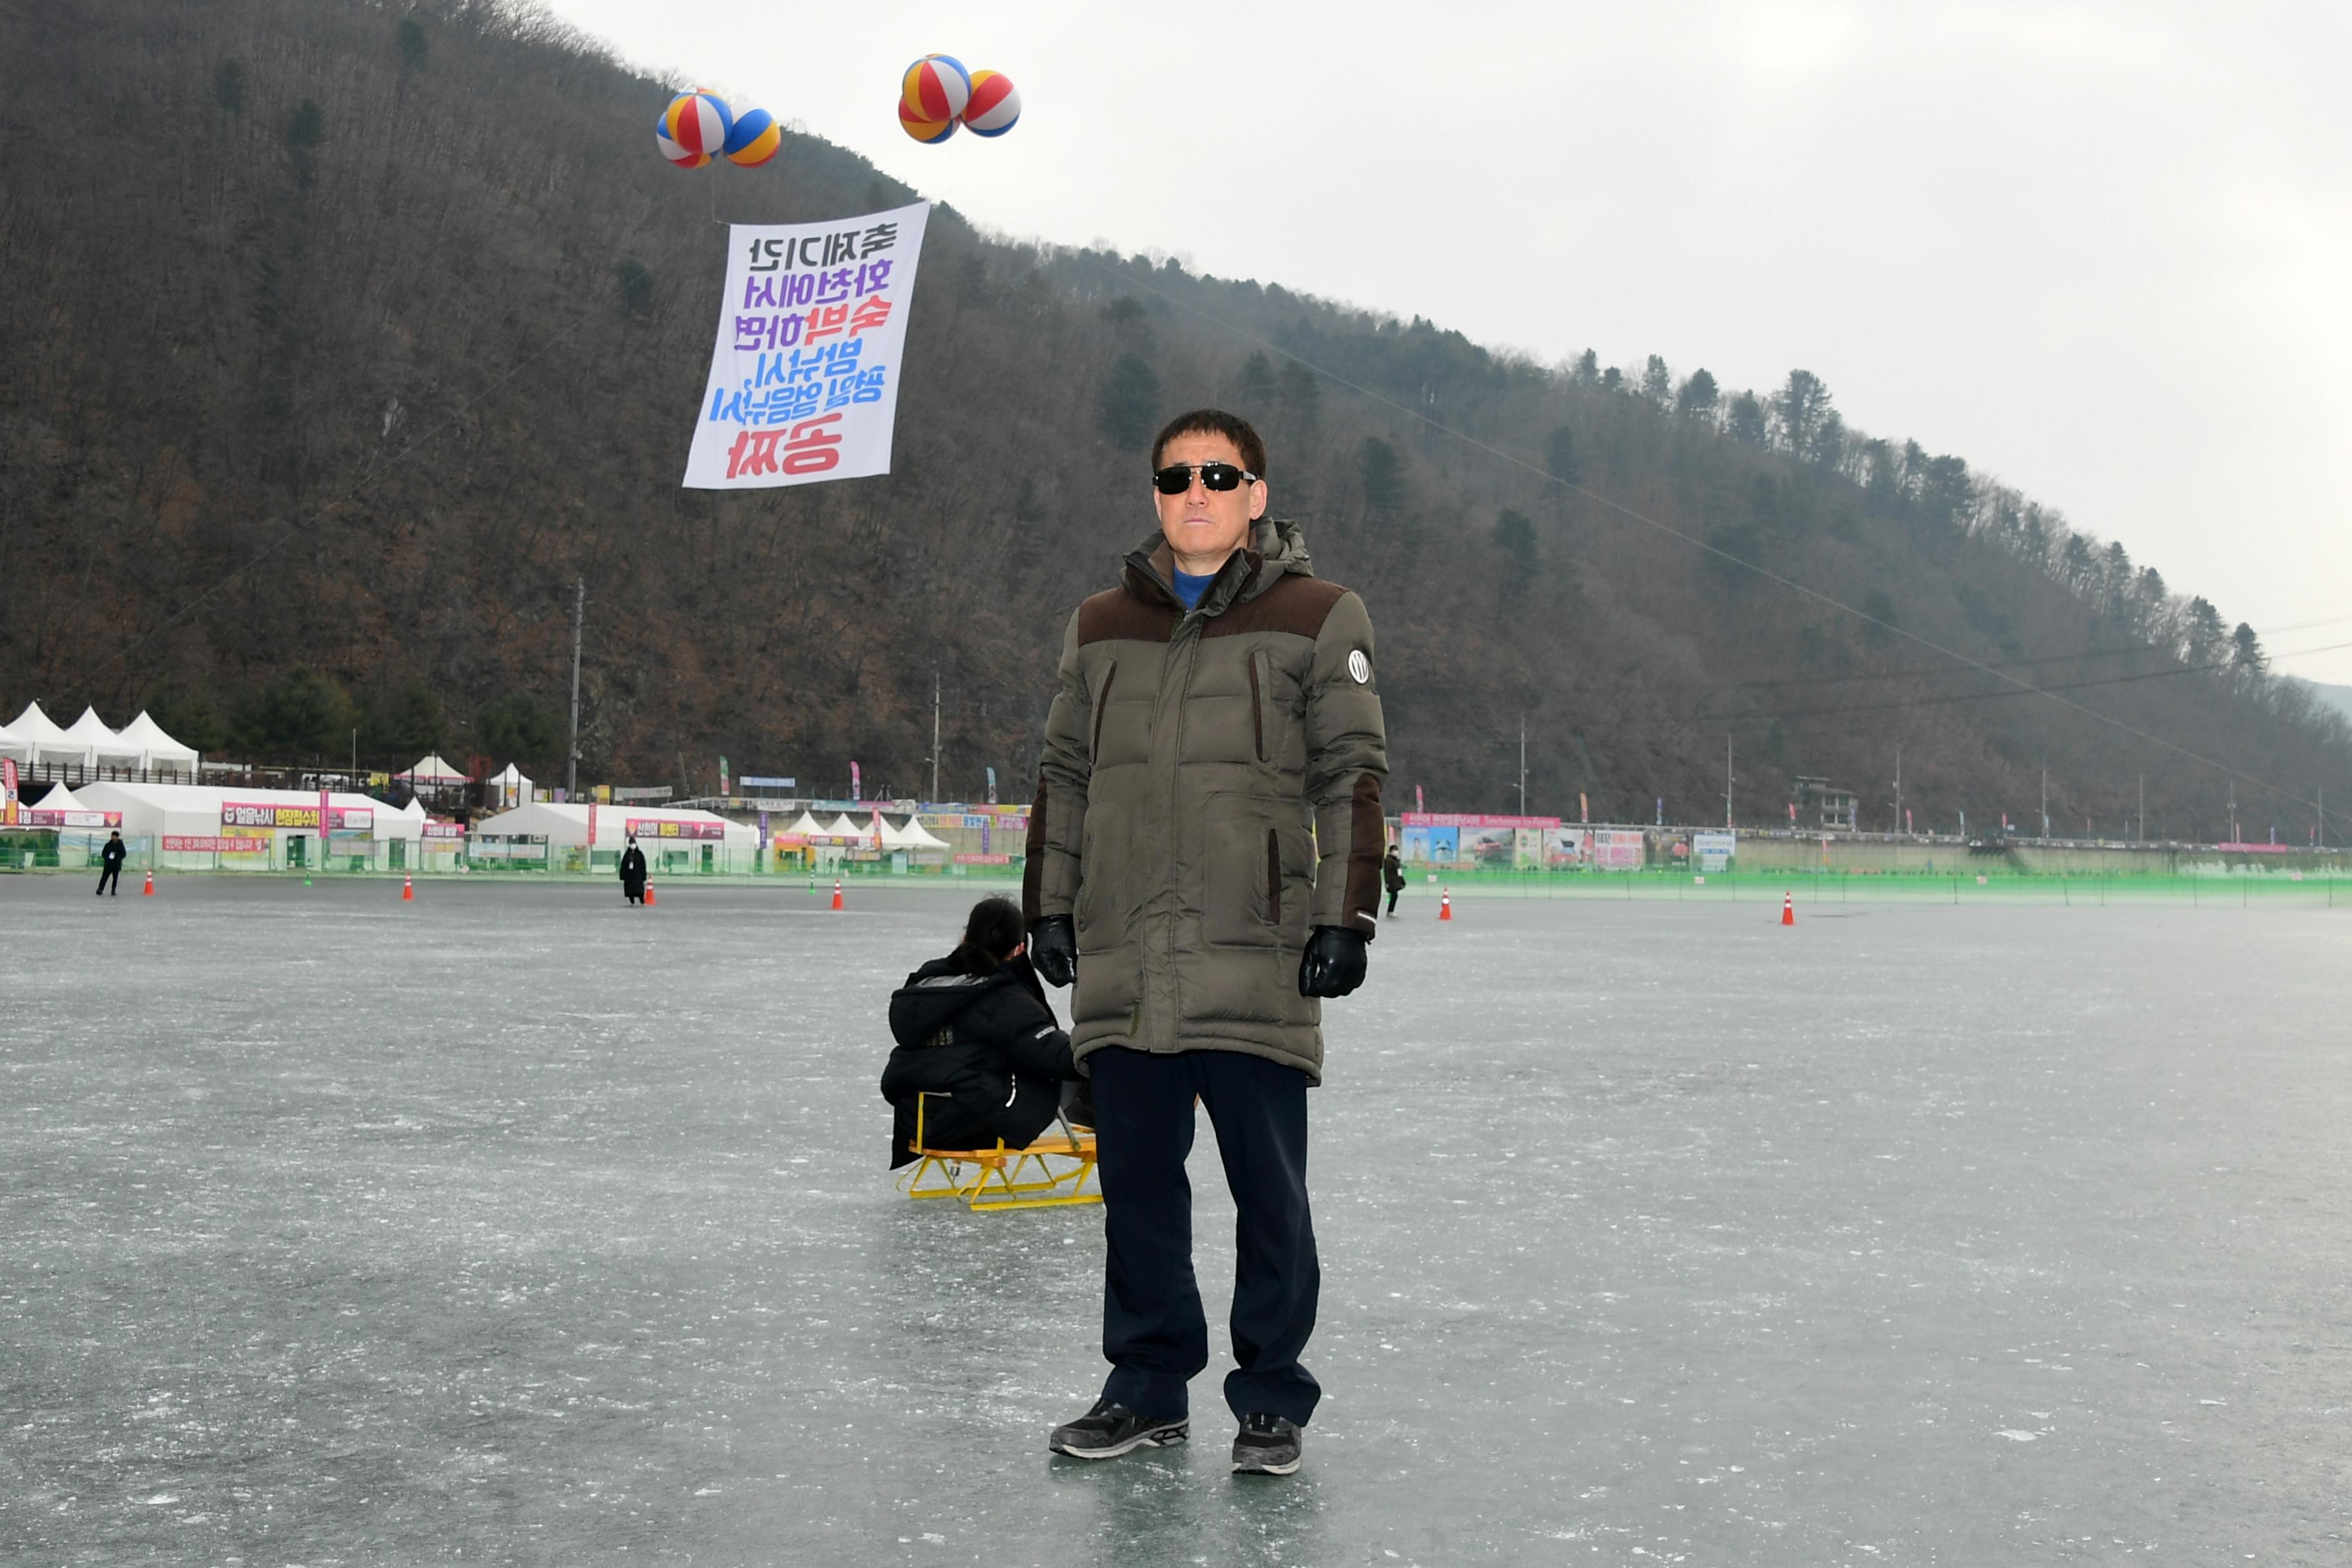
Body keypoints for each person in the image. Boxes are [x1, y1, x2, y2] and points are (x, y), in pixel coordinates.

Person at [1026, 408, 1387, 1478]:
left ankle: (1270, 1397)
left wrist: (1343, 914)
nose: (1196, 491)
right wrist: (1048, 902)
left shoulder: (1320, 614)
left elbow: (1350, 776)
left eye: (1219, 475)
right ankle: (1144, 1387)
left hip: (1257, 949)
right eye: (1176, 475)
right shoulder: (1097, 626)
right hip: (1127, 954)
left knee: (1268, 1192)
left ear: (1256, 495)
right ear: (1154, 494)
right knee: (1136, 1185)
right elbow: (1061, 775)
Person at [881, 896, 1082, 1163]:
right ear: (1019, 949)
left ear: (966, 937)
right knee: (1078, 1062)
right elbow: (1051, 1054)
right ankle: (1112, 1124)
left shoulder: (927, 984)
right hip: (971, 1124)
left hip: (917, 1120)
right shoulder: (1004, 999)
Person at [95, 829, 127, 896]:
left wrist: (117, 858)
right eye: (112, 836)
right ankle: (100, 889)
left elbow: (123, 854)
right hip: (108, 864)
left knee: (115, 878)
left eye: (115, 836)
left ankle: (113, 890)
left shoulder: (120, 845)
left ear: (118, 837)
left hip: (116, 865)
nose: (113, 837)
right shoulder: (108, 845)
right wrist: (107, 858)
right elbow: (104, 853)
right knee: (104, 877)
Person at [618, 836, 647, 905]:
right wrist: (622, 875)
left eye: (633, 843)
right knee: (630, 890)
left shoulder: (640, 854)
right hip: (629, 876)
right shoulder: (627, 855)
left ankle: (641, 899)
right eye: (631, 843)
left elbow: (643, 865)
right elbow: (624, 865)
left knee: (639, 890)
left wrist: (644, 876)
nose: (633, 845)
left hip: (638, 876)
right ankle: (632, 900)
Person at [1382, 843, 1406, 917]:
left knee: (1394, 896)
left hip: (1397, 881)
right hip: (1392, 881)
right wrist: (1387, 882)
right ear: (1391, 851)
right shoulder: (1388, 860)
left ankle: (1390, 911)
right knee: (1394, 895)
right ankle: (1390, 911)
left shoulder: (1396, 860)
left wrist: (1402, 881)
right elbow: (1387, 872)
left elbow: (1399, 872)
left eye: (1397, 850)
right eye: (1395, 850)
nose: (1396, 852)